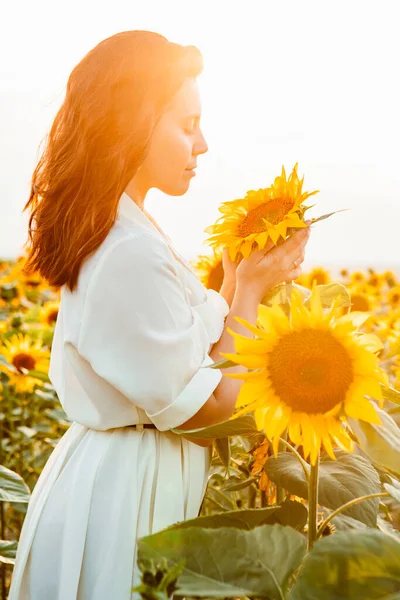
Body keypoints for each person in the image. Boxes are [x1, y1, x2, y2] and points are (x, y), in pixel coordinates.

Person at [7, 30, 310, 599]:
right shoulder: (127, 250)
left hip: (124, 474)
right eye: (187, 125)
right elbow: (208, 411)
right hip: (126, 498)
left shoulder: (129, 227)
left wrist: (232, 280)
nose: (203, 145)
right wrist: (248, 292)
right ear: (133, 124)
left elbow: (186, 346)